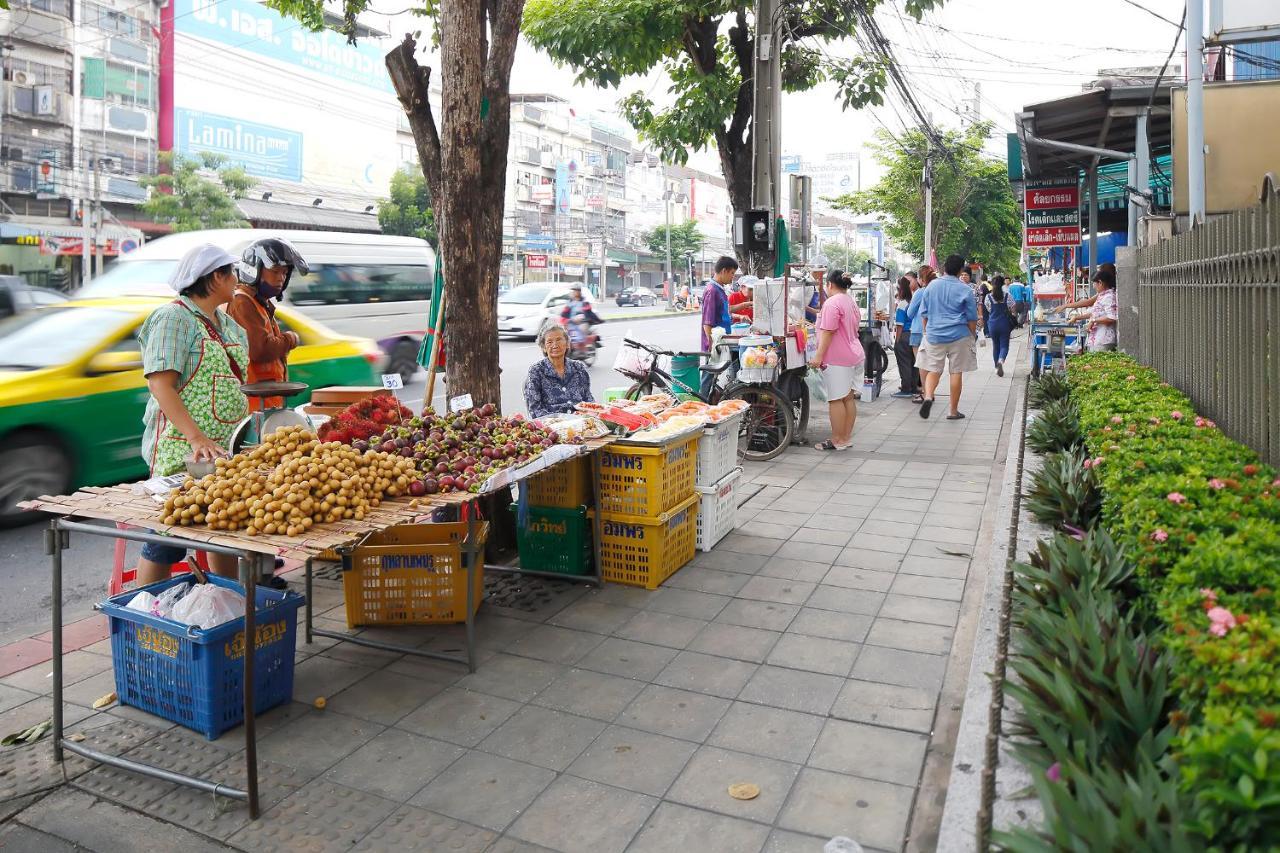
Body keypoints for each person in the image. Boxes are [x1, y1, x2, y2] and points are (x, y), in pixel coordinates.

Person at [136, 245, 249, 584]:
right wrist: (196, 437)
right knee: (168, 537)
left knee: (222, 524)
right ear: (216, 277)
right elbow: (161, 384)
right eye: (232, 273)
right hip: (181, 449)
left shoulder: (228, 324)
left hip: (224, 448)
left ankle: (227, 598)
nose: (237, 281)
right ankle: (146, 613)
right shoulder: (173, 318)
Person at [227, 237, 308, 411]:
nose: (281, 278)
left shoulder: (259, 303)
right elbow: (260, 350)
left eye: (285, 273)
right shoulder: (243, 302)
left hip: (265, 401)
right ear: (255, 269)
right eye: (275, 271)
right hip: (253, 405)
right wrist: (290, 339)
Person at [807, 270, 865, 450]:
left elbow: (829, 331)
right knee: (847, 398)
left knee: (836, 399)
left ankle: (837, 440)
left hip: (838, 358)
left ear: (830, 284)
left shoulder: (833, 303)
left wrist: (818, 356)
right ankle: (845, 438)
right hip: (855, 353)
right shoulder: (850, 301)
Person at [917, 253, 978, 420]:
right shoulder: (965, 289)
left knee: (933, 369)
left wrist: (926, 331)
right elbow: (972, 318)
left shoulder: (931, 286)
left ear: (944, 268)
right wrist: (972, 335)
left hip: (934, 334)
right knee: (956, 372)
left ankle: (928, 396)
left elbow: (924, 313)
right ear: (960, 270)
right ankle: (952, 411)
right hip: (959, 335)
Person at [523, 324, 594, 418]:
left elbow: (588, 399)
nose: (555, 345)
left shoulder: (578, 368)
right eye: (549, 342)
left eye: (559, 340)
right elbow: (535, 410)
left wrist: (590, 415)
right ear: (543, 347)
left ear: (567, 343)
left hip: (581, 421)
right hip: (552, 425)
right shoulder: (536, 371)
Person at [700, 256, 736, 396]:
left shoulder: (720, 289)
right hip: (714, 343)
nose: (732, 277)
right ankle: (702, 407)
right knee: (708, 378)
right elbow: (707, 322)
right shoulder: (712, 290)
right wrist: (711, 344)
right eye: (732, 273)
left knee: (715, 378)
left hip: (722, 340)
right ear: (724, 271)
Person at [1061, 268, 1119, 351]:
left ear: (1100, 283)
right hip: (1097, 338)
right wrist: (1077, 317)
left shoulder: (1109, 297)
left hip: (1104, 339)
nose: (1093, 286)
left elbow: (1111, 317)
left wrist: (1093, 321)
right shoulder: (1101, 296)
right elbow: (1094, 313)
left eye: (1093, 283)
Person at [905, 265, 936, 403]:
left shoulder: (920, 292)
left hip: (918, 330)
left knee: (922, 364)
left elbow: (910, 313)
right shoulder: (936, 290)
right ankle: (930, 392)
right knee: (931, 364)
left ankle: (925, 393)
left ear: (920, 278)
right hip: (934, 330)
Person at [891, 276, 918, 398]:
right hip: (915, 334)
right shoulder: (913, 300)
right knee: (913, 363)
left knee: (904, 363)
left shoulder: (902, 304)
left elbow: (900, 325)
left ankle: (906, 389)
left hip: (905, 335)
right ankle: (913, 387)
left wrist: (897, 341)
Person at [984, 275, 1015, 377]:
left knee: (995, 346)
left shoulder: (988, 297)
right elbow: (1013, 309)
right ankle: (1001, 361)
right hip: (1005, 324)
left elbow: (988, 310)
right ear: (1002, 284)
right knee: (1004, 345)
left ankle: (996, 367)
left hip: (992, 324)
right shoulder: (1007, 295)